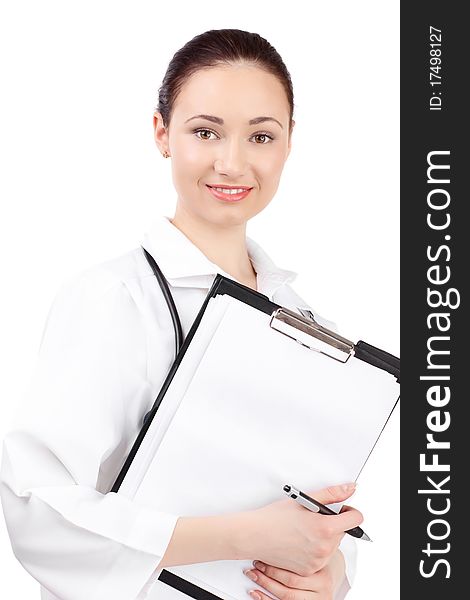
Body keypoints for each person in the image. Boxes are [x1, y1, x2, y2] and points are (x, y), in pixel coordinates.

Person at [0, 29, 364, 600]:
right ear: (162, 133)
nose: (233, 162)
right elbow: (40, 511)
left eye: (261, 135)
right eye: (205, 132)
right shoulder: (114, 298)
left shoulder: (309, 324)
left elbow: (321, 512)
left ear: (289, 143)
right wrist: (241, 536)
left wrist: (331, 574)